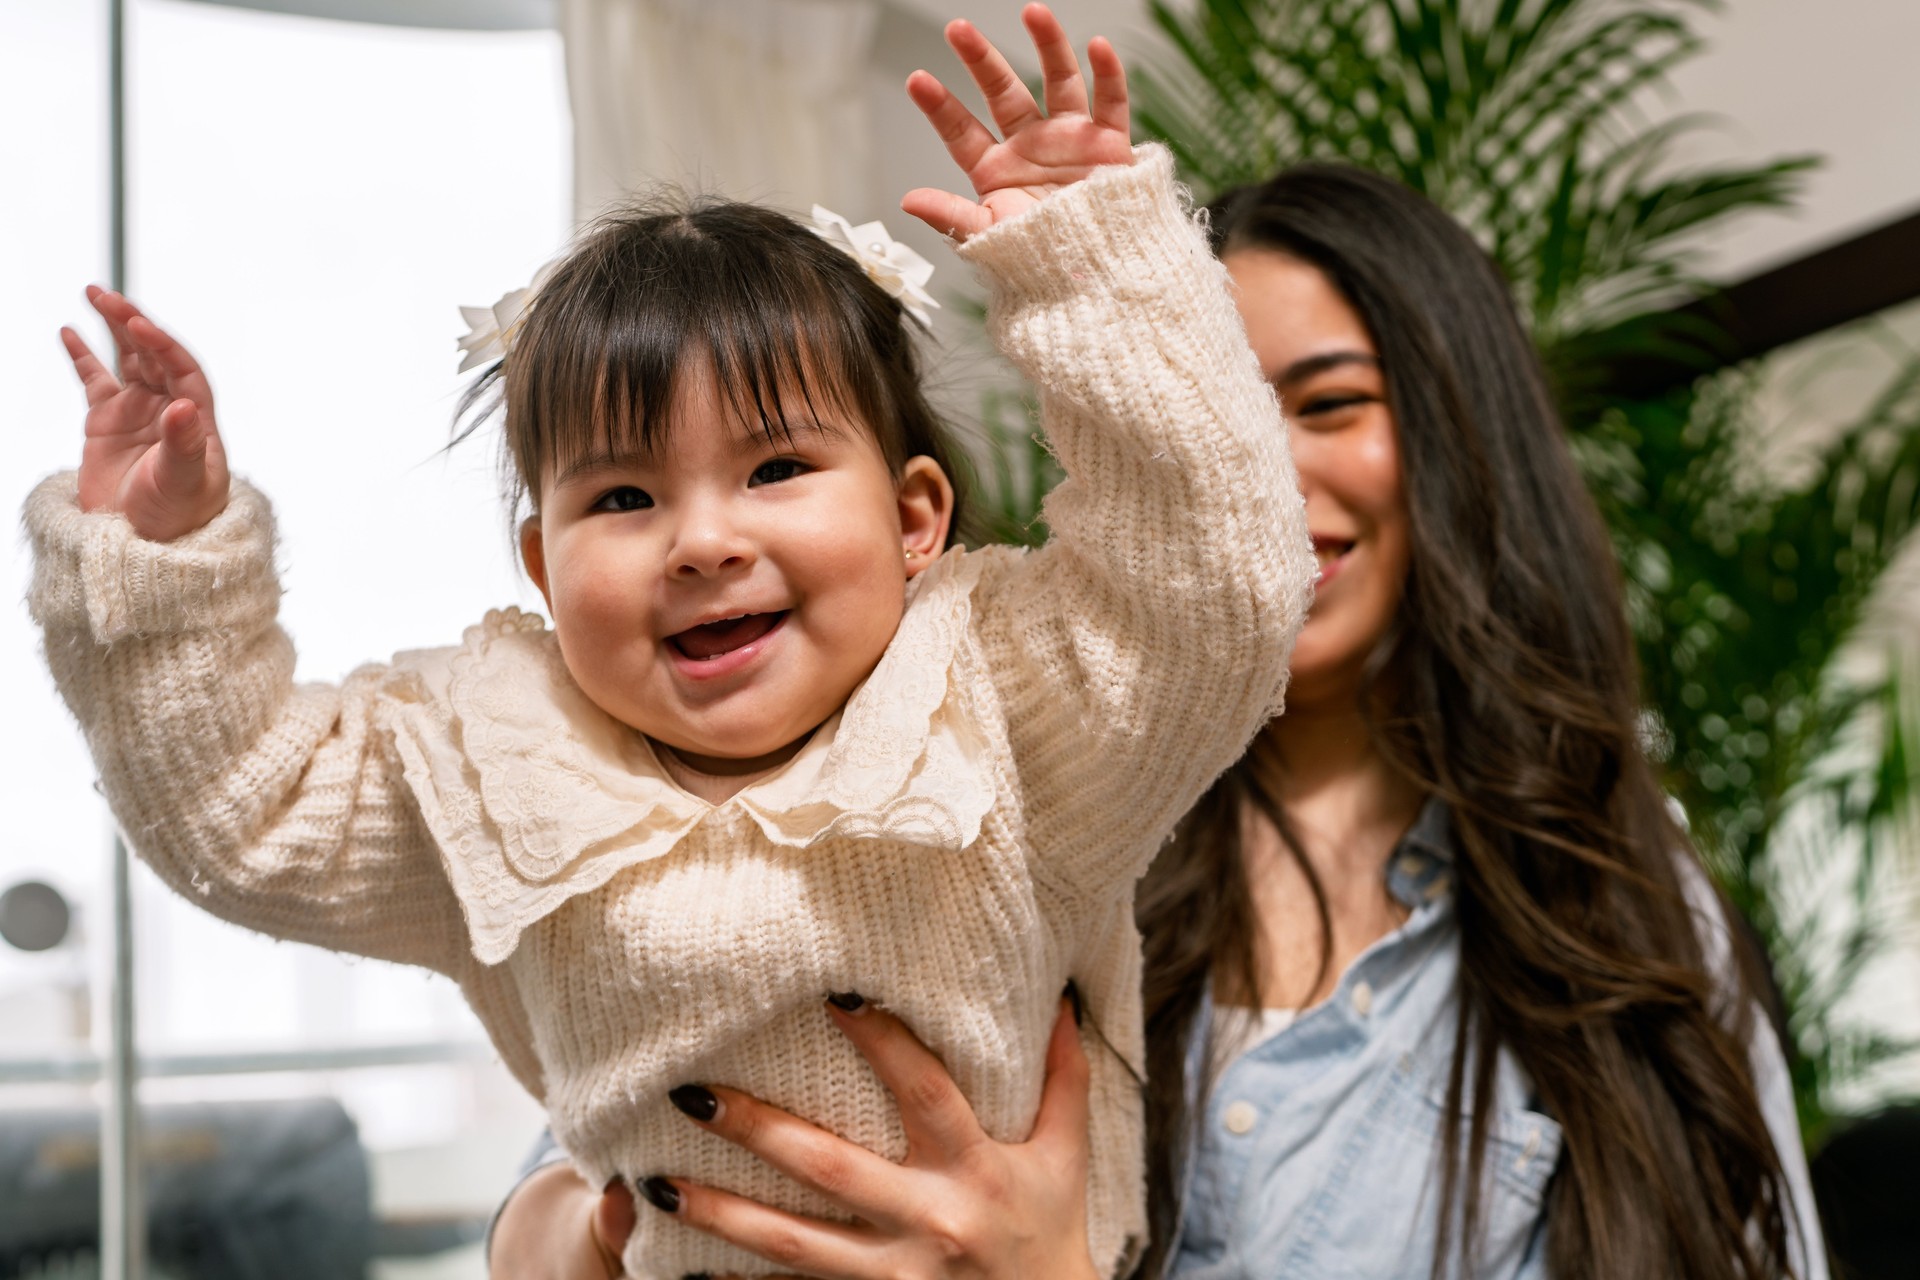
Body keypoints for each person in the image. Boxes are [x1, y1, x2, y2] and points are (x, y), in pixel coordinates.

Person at [23, 9, 1315, 1280]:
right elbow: (242, 814)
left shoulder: (1005, 709)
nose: (702, 542)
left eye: (777, 469)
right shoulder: (495, 762)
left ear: (916, 518)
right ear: (544, 566)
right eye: (625, 497)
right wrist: (161, 559)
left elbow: (1214, 590)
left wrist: (1099, 265)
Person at [491, 151, 1829, 1280]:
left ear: (1457, 440)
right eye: (1222, 417)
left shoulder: (1628, 921)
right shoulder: (951, 800)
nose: (1267, 472)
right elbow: (592, 1149)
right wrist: (579, 1233)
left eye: (1330, 404)